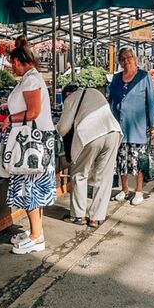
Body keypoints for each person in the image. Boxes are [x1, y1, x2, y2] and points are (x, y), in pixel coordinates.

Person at [1, 37, 57, 254]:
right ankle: (37, 232)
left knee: (29, 188)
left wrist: (10, 119)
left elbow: (33, 112)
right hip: (33, 141)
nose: (11, 67)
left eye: (12, 63)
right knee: (35, 188)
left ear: (19, 61)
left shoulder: (31, 80)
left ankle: (36, 236)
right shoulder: (30, 78)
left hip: (31, 145)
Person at [58, 84, 122, 229]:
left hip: (90, 135)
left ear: (67, 94)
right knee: (104, 176)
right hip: (113, 132)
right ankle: (96, 218)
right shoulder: (95, 92)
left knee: (79, 173)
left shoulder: (70, 99)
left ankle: (78, 215)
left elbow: (63, 128)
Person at [108, 47, 154, 206]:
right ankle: (124, 189)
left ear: (135, 59)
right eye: (122, 58)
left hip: (137, 127)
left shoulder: (144, 77)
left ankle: (138, 191)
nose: (126, 61)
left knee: (138, 161)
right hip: (119, 126)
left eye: (128, 57)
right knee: (121, 161)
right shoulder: (116, 78)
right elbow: (111, 102)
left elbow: (151, 102)